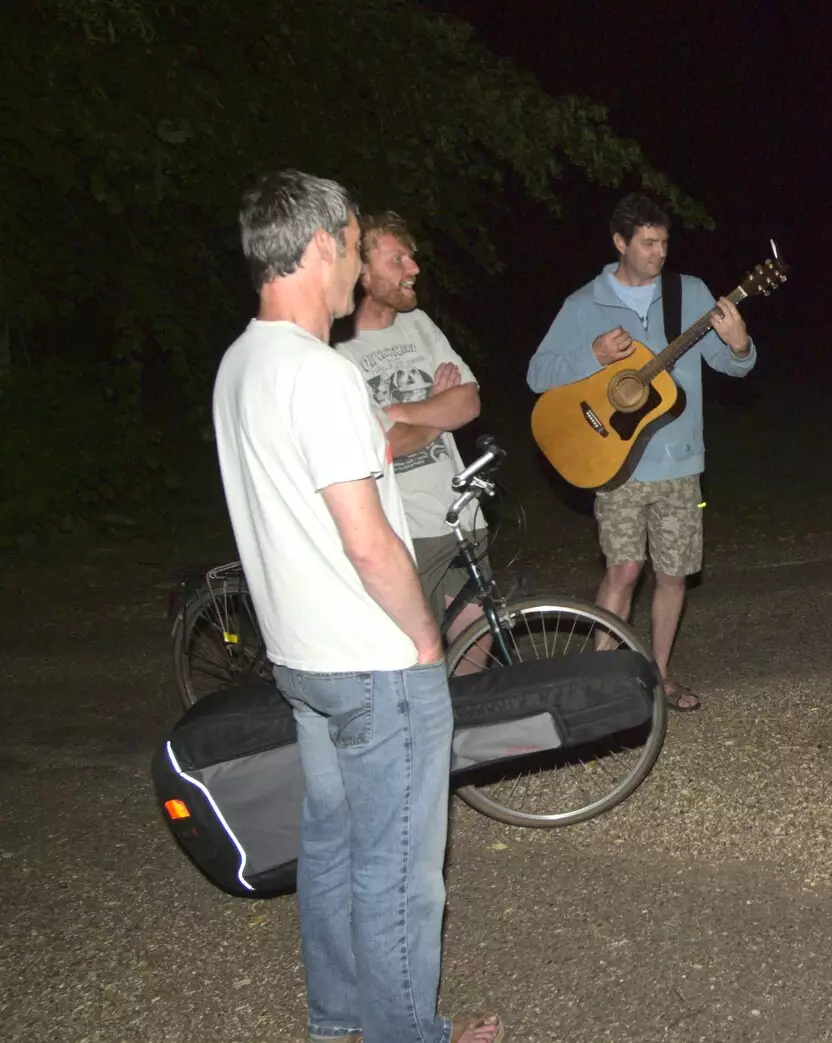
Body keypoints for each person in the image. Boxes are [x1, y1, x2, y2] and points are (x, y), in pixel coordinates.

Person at [212, 171, 503, 1043]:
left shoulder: (239, 363)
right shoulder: (320, 374)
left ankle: (337, 1022)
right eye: (348, 243)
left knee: (333, 850)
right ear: (318, 247)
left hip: (302, 662)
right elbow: (369, 539)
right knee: (400, 873)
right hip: (372, 664)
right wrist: (422, 640)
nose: (351, 265)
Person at [527, 192, 757, 711]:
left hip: (679, 463)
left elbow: (732, 366)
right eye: (648, 243)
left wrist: (740, 344)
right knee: (624, 570)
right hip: (615, 464)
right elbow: (538, 374)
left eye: (665, 242)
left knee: (673, 573)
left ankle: (659, 675)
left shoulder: (690, 293)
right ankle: (600, 678)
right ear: (619, 243)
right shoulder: (584, 304)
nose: (659, 253)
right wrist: (593, 355)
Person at [335, 211, 486, 644]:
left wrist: (401, 411)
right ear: (361, 272)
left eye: (412, 257)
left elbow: (469, 402)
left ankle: (470, 716)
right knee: (419, 651)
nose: (413, 268)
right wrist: (437, 412)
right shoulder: (337, 351)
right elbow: (381, 443)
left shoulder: (419, 324)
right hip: (401, 528)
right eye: (397, 258)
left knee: (477, 638)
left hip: (462, 511)